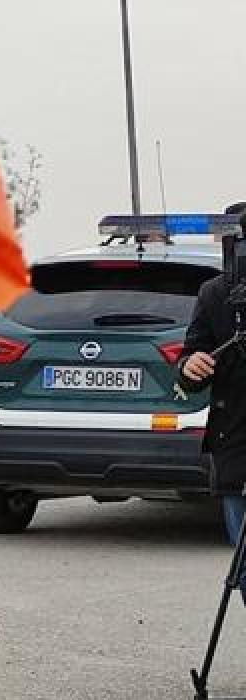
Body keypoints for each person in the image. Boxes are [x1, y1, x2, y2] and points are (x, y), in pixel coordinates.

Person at [178, 203, 246, 583]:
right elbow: (190, 368)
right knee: (244, 567)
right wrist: (191, 367)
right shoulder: (215, 294)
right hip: (235, 441)